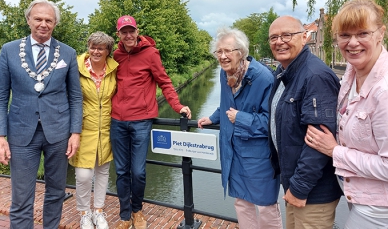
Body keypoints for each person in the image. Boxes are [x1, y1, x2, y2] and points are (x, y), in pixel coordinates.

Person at [0, 0, 83, 229]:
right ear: (29, 20)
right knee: (21, 198)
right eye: (38, 19)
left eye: (49, 20)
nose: (43, 24)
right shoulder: (9, 51)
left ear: (55, 24)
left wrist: (75, 132)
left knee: (55, 193)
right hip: (21, 133)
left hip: (59, 133)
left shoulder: (68, 53)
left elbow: (75, 96)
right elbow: (0, 96)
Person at [305, 0, 388, 228]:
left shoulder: (384, 91)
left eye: (363, 33)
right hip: (359, 195)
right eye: (344, 35)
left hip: (380, 207)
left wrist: (335, 151)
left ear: (381, 33)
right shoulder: (351, 75)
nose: (352, 43)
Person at [110, 15, 192, 229]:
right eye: (123, 31)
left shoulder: (150, 54)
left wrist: (178, 106)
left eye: (131, 31)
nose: (128, 35)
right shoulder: (115, 55)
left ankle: (137, 211)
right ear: (118, 34)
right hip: (117, 120)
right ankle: (124, 215)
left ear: (137, 32)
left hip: (140, 120)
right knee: (121, 171)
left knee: (138, 171)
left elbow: (164, 82)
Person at [198, 28, 282, 229]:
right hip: (233, 152)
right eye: (219, 52)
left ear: (242, 52)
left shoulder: (264, 78)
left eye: (228, 51)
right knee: (241, 203)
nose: (223, 56)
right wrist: (213, 117)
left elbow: (273, 121)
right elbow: (227, 104)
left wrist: (240, 118)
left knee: (266, 207)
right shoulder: (224, 73)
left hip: (259, 157)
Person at [268, 16, 342, 229]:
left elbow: (319, 142)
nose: (279, 41)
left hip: (312, 193)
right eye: (274, 37)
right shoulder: (285, 73)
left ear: (304, 37)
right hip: (295, 185)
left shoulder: (314, 76)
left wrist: (299, 188)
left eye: (286, 35)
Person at [69, 32, 118, 229]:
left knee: (103, 171)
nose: (96, 51)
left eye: (101, 48)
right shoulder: (76, 67)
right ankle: (84, 212)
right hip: (82, 127)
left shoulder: (114, 69)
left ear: (108, 51)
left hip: (106, 127)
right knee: (83, 175)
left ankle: (98, 211)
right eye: (92, 47)